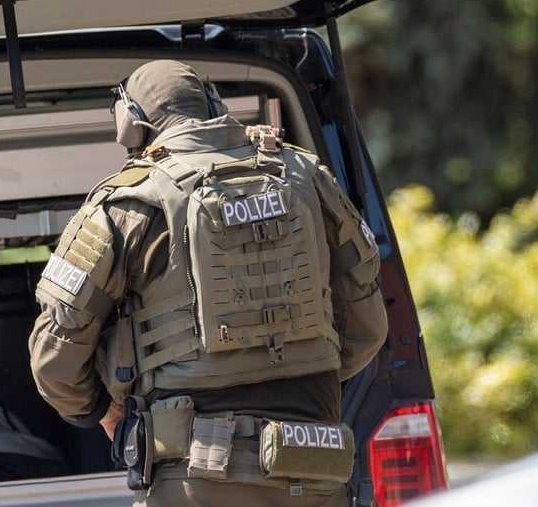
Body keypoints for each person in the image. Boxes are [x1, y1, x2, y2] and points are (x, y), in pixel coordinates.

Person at [28, 59, 388, 506]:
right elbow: (367, 329)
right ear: (213, 104)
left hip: (196, 476)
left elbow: (55, 363)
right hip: (316, 462)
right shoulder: (308, 176)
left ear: (131, 124)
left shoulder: (127, 204)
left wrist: (104, 411)